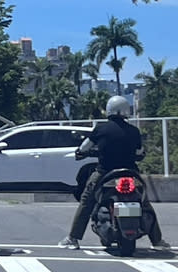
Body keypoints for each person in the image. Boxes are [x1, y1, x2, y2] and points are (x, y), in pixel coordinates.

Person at [58, 95, 170, 250]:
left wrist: (81, 153)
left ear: (109, 110)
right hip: (131, 174)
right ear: (125, 111)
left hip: (105, 173)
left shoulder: (101, 129)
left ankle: (73, 238)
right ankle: (157, 241)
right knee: (145, 204)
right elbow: (140, 151)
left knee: (87, 201)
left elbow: (84, 148)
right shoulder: (134, 131)